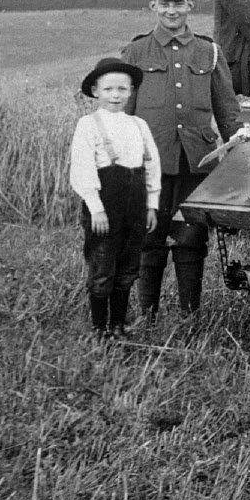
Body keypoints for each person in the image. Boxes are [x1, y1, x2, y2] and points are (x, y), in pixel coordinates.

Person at [121, 0, 246, 323]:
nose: (172, 10)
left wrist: (238, 151)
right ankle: (149, 314)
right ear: (153, 6)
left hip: (196, 161)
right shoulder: (135, 51)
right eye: (165, 4)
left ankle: (190, 314)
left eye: (179, 3)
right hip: (151, 162)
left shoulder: (208, 51)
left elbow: (227, 110)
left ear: (190, 5)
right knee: (150, 236)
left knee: (191, 238)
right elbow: (123, 113)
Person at [68, 57, 162, 337]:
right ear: (96, 91)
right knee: (102, 267)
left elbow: (152, 166)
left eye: (122, 89)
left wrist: (152, 206)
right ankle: (99, 328)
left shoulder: (138, 125)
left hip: (135, 205)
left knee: (128, 267)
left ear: (131, 91)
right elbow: (82, 168)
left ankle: (118, 326)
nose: (115, 95)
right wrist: (95, 208)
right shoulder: (88, 124)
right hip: (105, 207)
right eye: (108, 89)